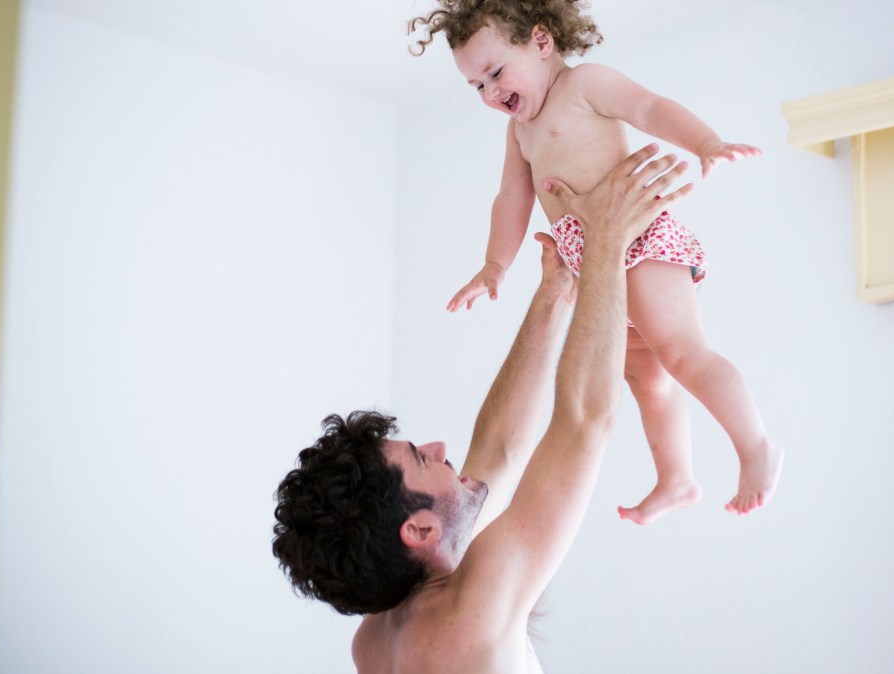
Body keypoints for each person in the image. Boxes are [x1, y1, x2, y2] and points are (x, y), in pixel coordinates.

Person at [273, 147, 690, 673]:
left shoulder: (378, 635)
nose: (438, 448)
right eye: (421, 459)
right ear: (419, 531)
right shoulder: (472, 611)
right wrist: (607, 238)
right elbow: (584, 422)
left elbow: (500, 450)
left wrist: (557, 289)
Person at [408, 0, 782, 522]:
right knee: (645, 376)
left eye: (496, 73)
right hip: (597, 269)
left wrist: (706, 143)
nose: (490, 94)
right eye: (476, 86)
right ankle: (676, 478)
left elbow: (649, 109)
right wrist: (495, 265)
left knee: (681, 353)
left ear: (540, 41)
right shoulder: (519, 131)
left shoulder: (584, 84)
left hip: (640, 239)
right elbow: (512, 198)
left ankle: (756, 446)